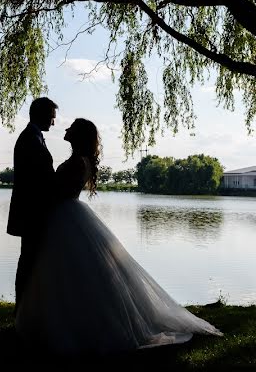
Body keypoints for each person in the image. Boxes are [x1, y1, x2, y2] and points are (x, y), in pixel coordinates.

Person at [15, 118, 222, 355]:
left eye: (71, 127)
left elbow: (58, 191)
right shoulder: (80, 161)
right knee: (73, 274)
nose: (65, 128)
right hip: (68, 216)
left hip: (65, 217)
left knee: (70, 272)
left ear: (79, 135)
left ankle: (73, 326)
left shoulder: (77, 163)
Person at [6, 96, 58, 312]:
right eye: (52, 118)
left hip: (33, 212)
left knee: (30, 259)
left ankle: (28, 308)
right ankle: (23, 309)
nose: (54, 123)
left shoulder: (34, 137)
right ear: (43, 115)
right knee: (28, 260)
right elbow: (38, 179)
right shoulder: (30, 139)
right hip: (31, 213)